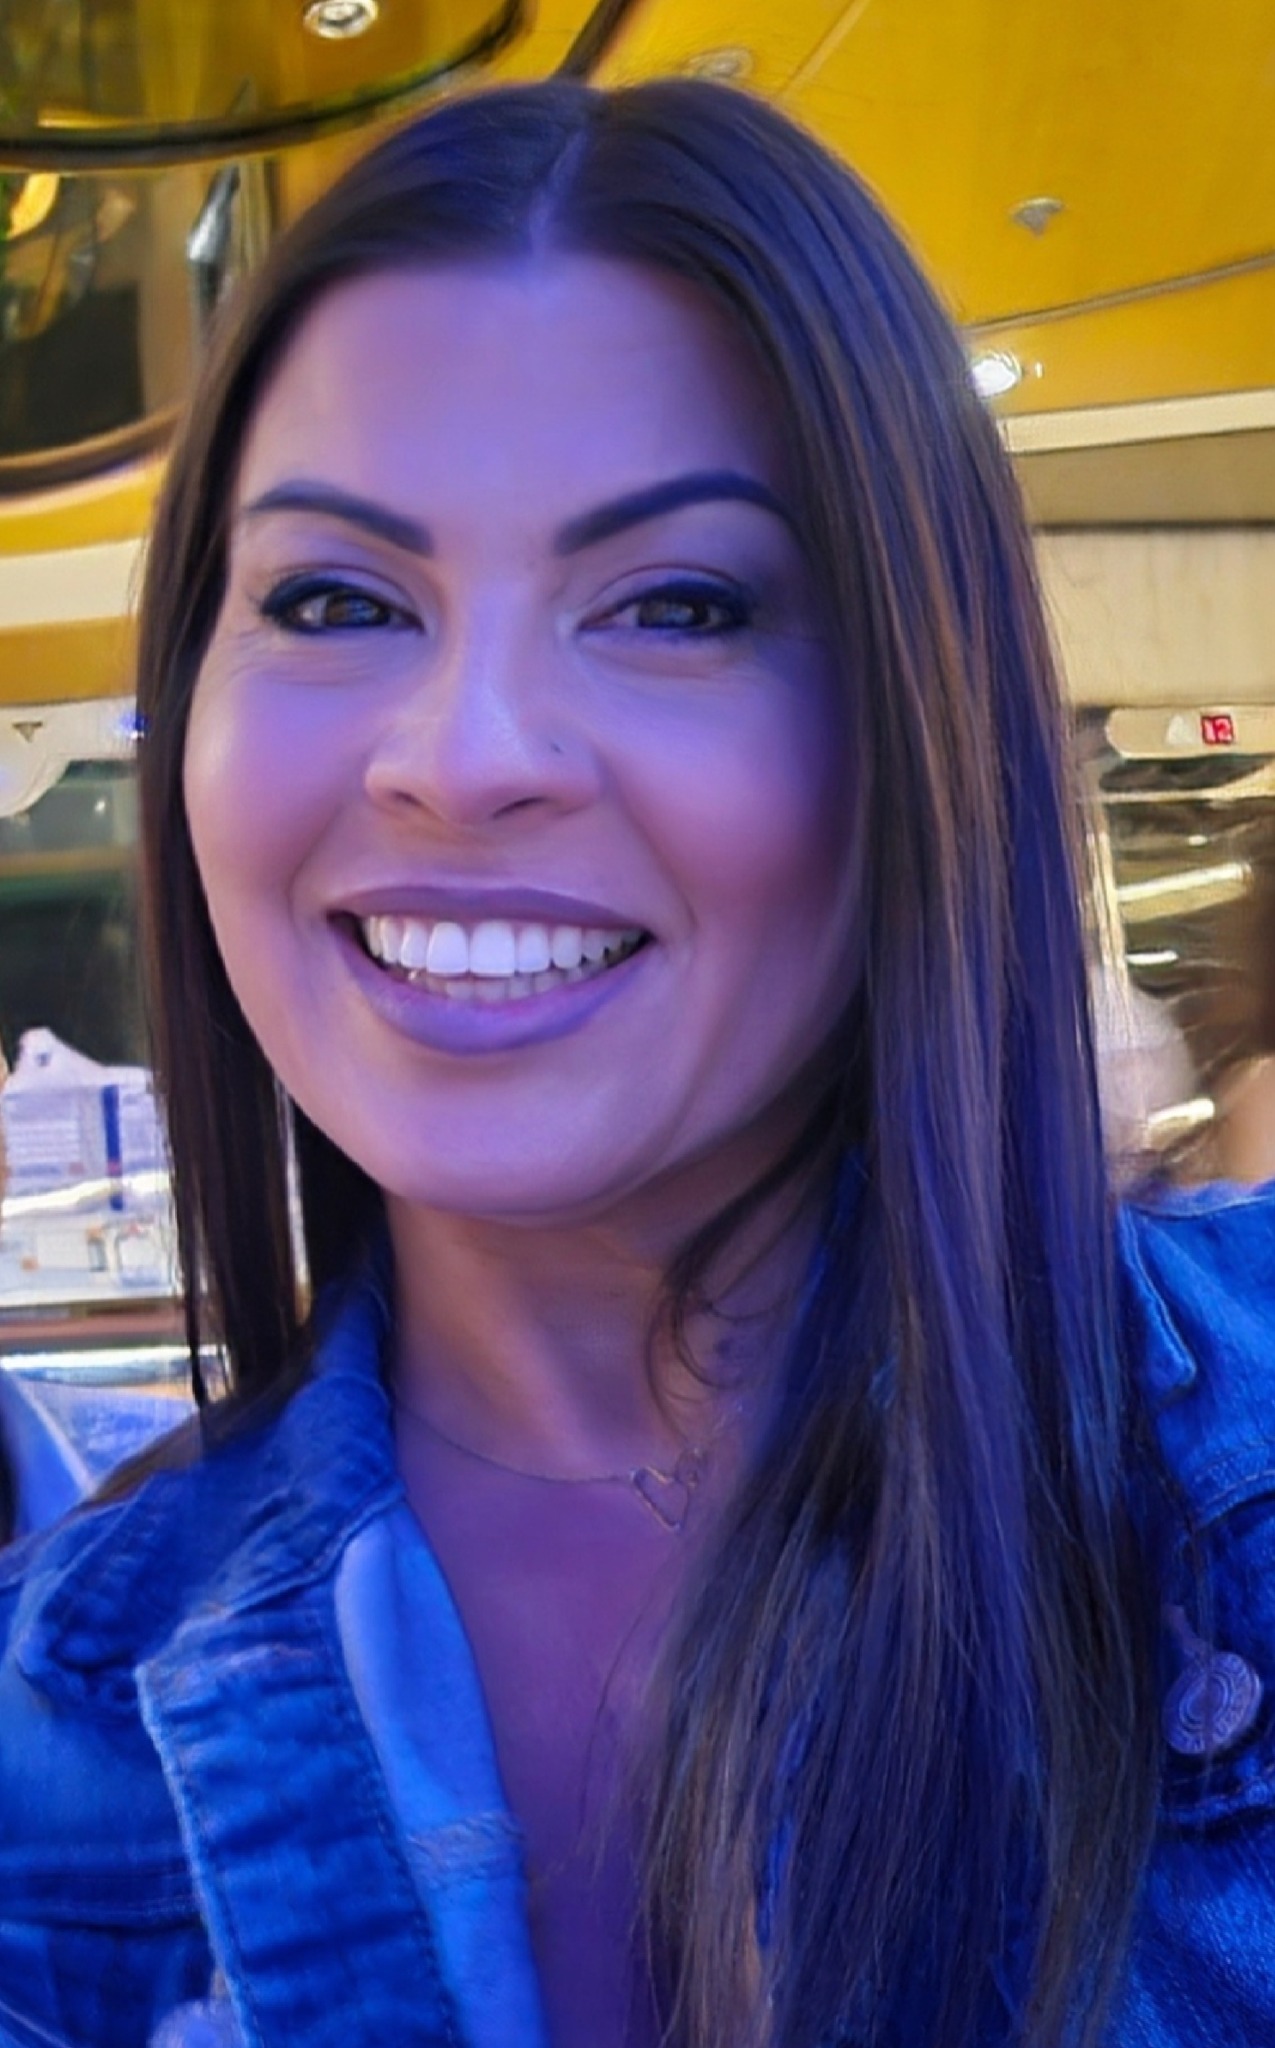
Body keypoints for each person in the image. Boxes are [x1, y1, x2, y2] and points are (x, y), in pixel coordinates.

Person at [0, 77, 1272, 2048]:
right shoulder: (58, 1726)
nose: (462, 753)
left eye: (677, 604)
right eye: (334, 599)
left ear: (914, 720)